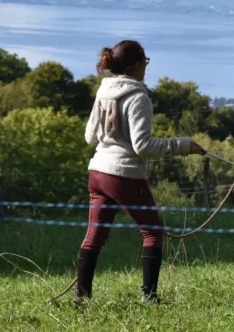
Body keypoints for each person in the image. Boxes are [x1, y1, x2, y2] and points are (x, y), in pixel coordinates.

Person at [75, 40, 206, 305]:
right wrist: (184, 145)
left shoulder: (104, 91)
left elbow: (90, 136)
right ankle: (149, 296)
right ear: (136, 65)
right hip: (122, 174)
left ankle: (82, 298)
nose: (146, 67)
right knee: (153, 232)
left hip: (97, 172)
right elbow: (142, 146)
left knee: (94, 238)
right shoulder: (138, 96)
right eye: (145, 62)